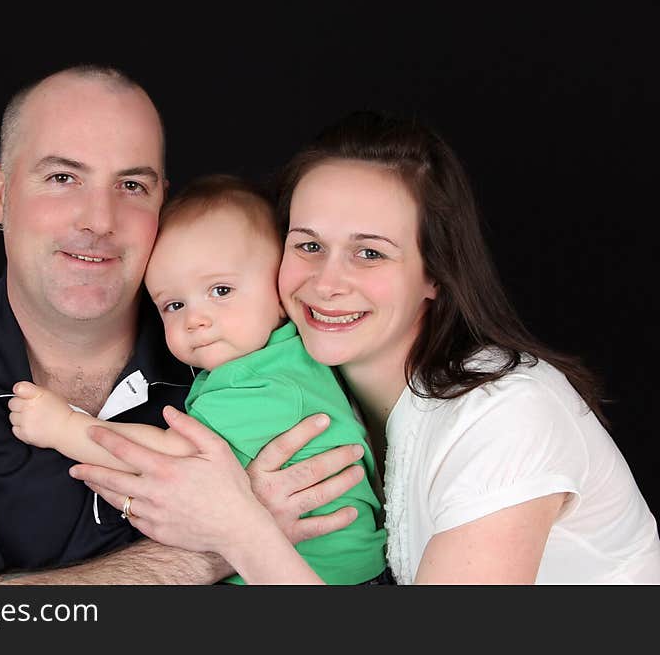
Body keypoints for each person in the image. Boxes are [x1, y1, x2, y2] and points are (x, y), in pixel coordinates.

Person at [70, 109, 660, 584]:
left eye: (370, 252)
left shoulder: (507, 415)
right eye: (307, 246)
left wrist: (239, 529)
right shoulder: (299, 389)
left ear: (435, 274)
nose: (327, 282)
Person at [0, 65, 365, 584]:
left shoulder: (232, 347)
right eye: (63, 178)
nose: (98, 220)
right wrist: (226, 544)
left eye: (131, 185)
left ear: (163, 200)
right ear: (0, 194)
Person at [7, 174, 389, 584]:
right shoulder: (281, 358)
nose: (195, 319)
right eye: (174, 304)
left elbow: (171, 463)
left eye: (221, 291)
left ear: (280, 293)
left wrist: (64, 426)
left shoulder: (265, 383)